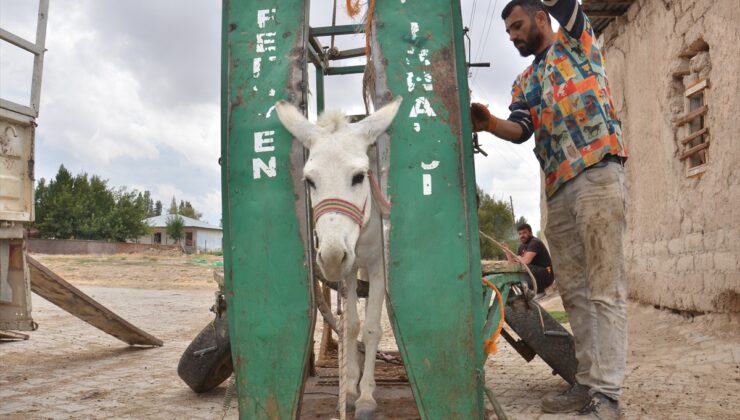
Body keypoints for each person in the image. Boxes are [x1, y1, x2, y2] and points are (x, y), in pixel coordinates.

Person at [470, 1, 628, 418]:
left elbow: (566, 5)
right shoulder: (525, 81)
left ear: (542, 18)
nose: (513, 36)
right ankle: (588, 384)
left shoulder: (578, 42)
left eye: (518, 26)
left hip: (597, 172)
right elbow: (520, 130)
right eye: (508, 32)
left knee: (604, 287)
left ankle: (607, 395)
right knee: (575, 293)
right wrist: (487, 123)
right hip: (557, 189)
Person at [503, 223, 554, 296]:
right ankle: (524, 294)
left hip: (546, 274)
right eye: (520, 233)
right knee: (515, 269)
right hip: (535, 274)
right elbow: (514, 264)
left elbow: (526, 261)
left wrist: (520, 259)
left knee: (524, 267)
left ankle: (540, 291)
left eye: (524, 232)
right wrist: (507, 252)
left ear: (530, 232)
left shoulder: (535, 242)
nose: (522, 235)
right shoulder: (521, 247)